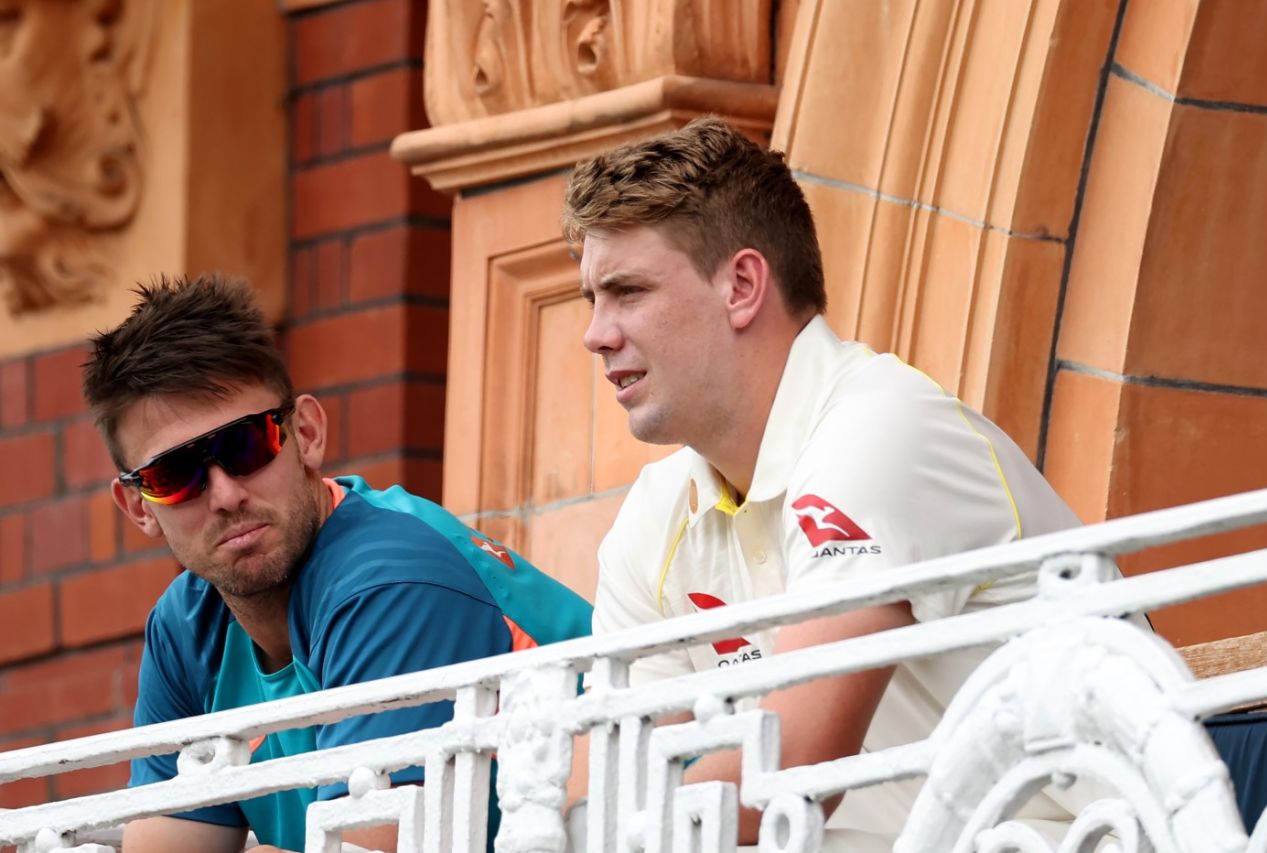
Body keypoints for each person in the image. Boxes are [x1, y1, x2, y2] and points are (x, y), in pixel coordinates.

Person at [564, 117, 1115, 848]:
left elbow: (789, 770)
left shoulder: (879, 426)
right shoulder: (657, 514)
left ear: (741, 286)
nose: (596, 334)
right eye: (592, 300)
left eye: (627, 291)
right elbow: (597, 783)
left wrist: (614, 831)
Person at [83, 274, 592, 853]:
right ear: (138, 507)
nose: (224, 495)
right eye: (174, 475)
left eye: (245, 444)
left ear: (305, 433)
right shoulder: (187, 626)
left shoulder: (388, 580)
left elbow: (367, 845)